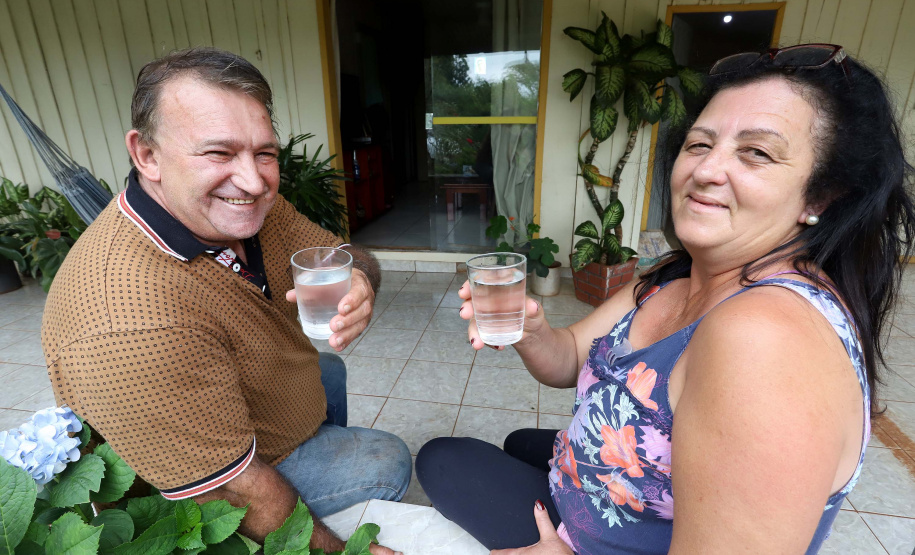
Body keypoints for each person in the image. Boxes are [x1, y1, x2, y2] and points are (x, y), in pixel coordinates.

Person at [416, 44, 915, 553]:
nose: (706, 170)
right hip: (601, 487)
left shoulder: (767, 340)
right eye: (700, 144)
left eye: (756, 152)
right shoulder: (679, 276)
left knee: (442, 460)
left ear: (821, 197)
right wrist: (533, 330)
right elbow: (569, 358)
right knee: (522, 443)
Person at [41, 48, 411, 554]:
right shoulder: (128, 320)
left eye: (265, 153)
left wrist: (361, 279)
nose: (255, 183)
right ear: (146, 155)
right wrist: (345, 551)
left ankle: (315, 446)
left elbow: (338, 254)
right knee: (388, 458)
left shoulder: (245, 206)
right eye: (219, 153)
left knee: (329, 372)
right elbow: (228, 486)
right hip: (208, 480)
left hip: (253, 400)